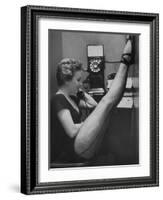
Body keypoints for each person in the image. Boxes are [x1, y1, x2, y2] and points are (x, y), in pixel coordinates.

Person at [50, 36, 133, 165]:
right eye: (78, 80)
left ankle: (125, 62)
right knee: (107, 103)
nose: (80, 83)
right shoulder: (58, 99)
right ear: (66, 80)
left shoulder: (72, 98)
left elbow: (94, 105)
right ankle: (125, 61)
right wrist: (87, 123)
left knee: (107, 108)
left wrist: (80, 91)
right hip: (70, 151)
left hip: (79, 143)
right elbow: (71, 131)